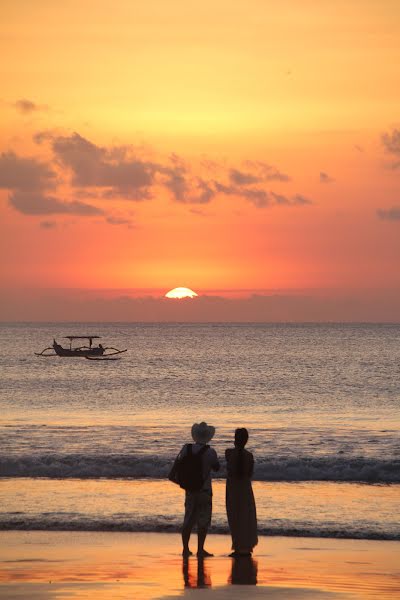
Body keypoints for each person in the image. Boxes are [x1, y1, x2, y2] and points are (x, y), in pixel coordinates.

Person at [169, 421, 220, 557]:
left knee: (188, 519)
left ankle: (185, 549)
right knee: (203, 520)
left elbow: (174, 469)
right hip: (204, 490)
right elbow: (217, 467)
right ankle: (200, 549)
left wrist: (182, 483)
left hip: (190, 490)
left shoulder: (186, 448)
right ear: (208, 436)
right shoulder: (210, 452)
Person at [225, 428, 258, 556]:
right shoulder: (249, 456)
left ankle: (237, 546)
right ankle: (246, 546)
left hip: (233, 488)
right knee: (246, 516)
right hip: (245, 488)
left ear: (235, 439)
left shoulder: (228, 453)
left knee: (234, 516)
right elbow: (249, 474)